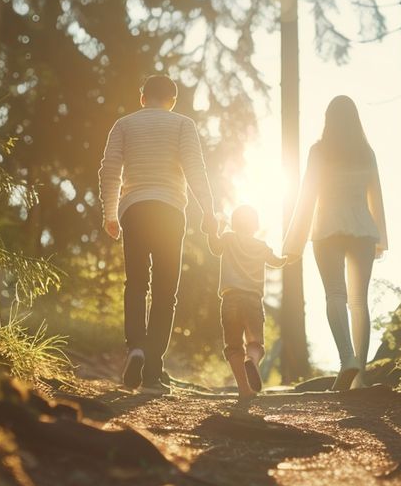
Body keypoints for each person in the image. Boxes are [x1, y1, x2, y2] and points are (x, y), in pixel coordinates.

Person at [98, 75, 217, 394]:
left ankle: (136, 348)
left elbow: (110, 169)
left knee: (136, 284)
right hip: (169, 211)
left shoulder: (124, 124)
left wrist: (110, 212)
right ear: (172, 101)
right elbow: (195, 169)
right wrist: (208, 210)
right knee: (166, 292)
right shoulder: (182, 124)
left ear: (142, 98)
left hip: (134, 210)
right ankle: (152, 369)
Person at [283, 95, 388, 392]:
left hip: (328, 227)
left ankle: (347, 359)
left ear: (328, 119)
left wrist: (293, 243)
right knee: (359, 302)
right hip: (363, 229)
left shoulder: (319, 151)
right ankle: (361, 377)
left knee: (335, 295)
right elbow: (376, 196)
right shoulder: (366, 152)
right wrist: (381, 236)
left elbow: (307, 195)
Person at [208, 205, 289, 398]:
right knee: (255, 344)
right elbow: (277, 262)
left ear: (234, 223)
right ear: (255, 225)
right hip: (252, 300)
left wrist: (214, 228)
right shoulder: (262, 246)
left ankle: (244, 389)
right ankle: (251, 361)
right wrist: (289, 256)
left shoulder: (228, 238)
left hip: (230, 299)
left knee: (234, 347)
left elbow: (214, 248)